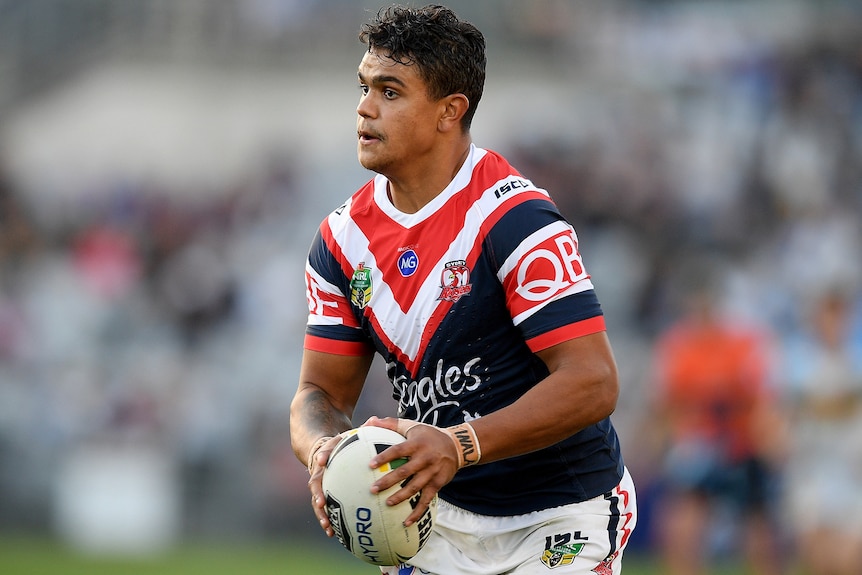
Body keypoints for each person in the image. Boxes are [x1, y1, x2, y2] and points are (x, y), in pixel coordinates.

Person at [289, 5, 636, 574]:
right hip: (430, 520)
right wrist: (325, 450)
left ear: (450, 111)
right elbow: (318, 395)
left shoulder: (517, 219)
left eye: (390, 92)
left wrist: (458, 445)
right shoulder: (340, 242)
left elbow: (593, 381)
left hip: (561, 515)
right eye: (364, 86)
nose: (364, 107)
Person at [648, 264, 782, 575]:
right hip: (699, 445)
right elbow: (666, 406)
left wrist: (767, 445)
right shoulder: (678, 346)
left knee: (759, 529)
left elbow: (762, 400)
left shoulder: (744, 342)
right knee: (682, 526)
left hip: (742, 442)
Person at [780, 287, 862, 575]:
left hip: (851, 475)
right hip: (812, 473)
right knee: (822, 561)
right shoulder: (798, 361)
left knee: (850, 561)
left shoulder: (856, 360)